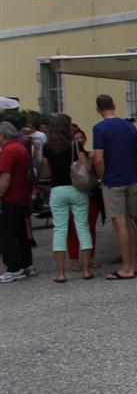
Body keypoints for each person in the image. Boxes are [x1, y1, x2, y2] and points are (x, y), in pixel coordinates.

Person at [92, 94, 137, 280]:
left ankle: (126, 267)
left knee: (119, 222)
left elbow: (98, 158)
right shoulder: (129, 126)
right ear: (114, 105)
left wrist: (101, 177)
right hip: (132, 177)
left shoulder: (99, 128)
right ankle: (132, 264)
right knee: (130, 221)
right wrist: (128, 160)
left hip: (113, 180)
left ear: (98, 109)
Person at [41, 114, 95, 282]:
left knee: (59, 230)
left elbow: (46, 171)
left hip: (57, 190)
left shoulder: (47, 147)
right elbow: (86, 166)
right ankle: (86, 270)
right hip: (76, 189)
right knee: (82, 228)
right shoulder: (76, 145)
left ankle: (60, 273)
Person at [0, 120, 35, 282]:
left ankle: (14, 267)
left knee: (8, 233)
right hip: (22, 194)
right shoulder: (21, 148)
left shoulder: (7, 151)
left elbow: (5, 176)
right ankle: (26, 264)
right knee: (20, 231)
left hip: (10, 196)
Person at [67, 125, 102, 273]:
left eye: (81, 138)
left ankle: (89, 257)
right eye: (77, 139)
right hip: (77, 194)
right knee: (73, 228)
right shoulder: (69, 155)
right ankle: (75, 259)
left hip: (90, 195)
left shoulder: (91, 154)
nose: (80, 140)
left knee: (90, 227)